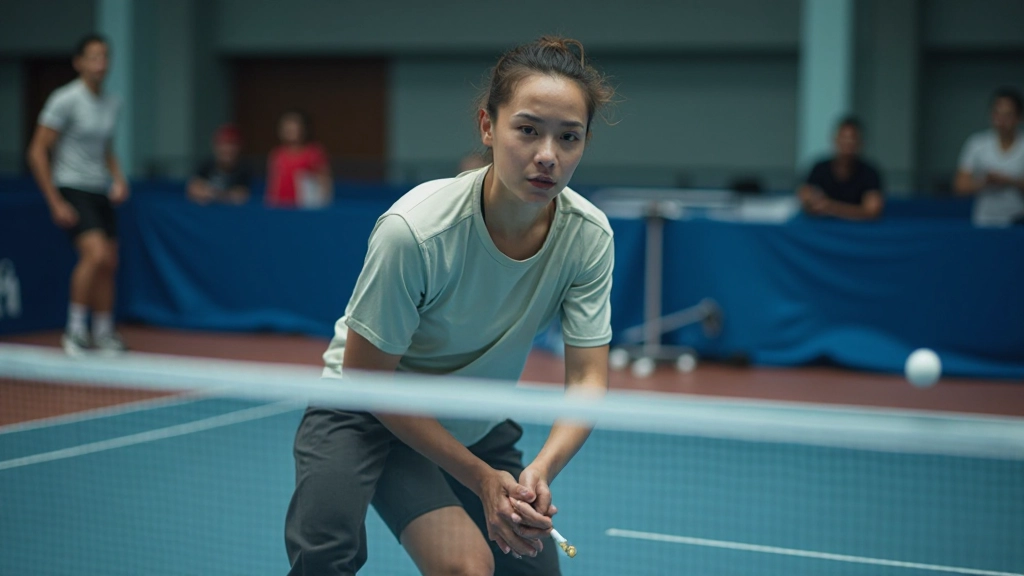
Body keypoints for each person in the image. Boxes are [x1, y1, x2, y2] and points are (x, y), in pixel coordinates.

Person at [284, 36, 615, 576]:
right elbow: (368, 381)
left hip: (473, 421)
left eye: (568, 137)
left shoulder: (588, 237)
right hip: (366, 410)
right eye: (528, 129)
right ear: (488, 127)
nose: (548, 154)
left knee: (520, 570)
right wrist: (481, 478)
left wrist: (541, 470)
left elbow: (587, 382)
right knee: (333, 556)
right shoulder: (415, 231)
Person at [26, 34, 128, 356]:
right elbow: (37, 151)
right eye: (94, 57)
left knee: (109, 262)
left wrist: (118, 179)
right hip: (72, 187)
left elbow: (106, 148)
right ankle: (74, 332)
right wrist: (55, 200)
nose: (101, 64)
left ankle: (102, 332)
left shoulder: (112, 102)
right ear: (79, 63)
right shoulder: (65, 99)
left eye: (105, 57)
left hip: (100, 189)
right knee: (95, 255)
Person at [953, 87, 1024, 227]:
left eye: (1008, 115)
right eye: (997, 114)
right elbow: (960, 186)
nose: (1001, 120)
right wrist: (985, 182)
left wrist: (1009, 181)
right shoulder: (977, 144)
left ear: (1019, 117)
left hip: (1019, 222)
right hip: (984, 222)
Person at [798, 116, 884, 220]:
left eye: (852, 138)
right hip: (822, 231)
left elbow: (872, 210)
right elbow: (804, 194)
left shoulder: (870, 173)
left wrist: (830, 207)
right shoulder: (819, 168)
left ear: (860, 142)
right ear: (835, 139)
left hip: (858, 232)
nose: (848, 143)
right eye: (844, 138)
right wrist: (811, 201)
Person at [265, 110, 332, 208]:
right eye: (286, 126)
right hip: (280, 207)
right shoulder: (277, 154)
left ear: (303, 128)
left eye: (293, 126)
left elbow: (325, 182)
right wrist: (269, 204)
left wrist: (321, 207)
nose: (290, 129)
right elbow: (273, 184)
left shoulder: (314, 152)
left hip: (303, 208)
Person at [187, 124, 251, 205]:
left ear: (239, 148)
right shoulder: (206, 166)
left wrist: (212, 194)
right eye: (223, 144)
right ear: (216, 146)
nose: (227, 149)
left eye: (232, 144)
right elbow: (193, 188)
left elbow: (241, 195)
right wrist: (222, 195)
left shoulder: (244, 169)